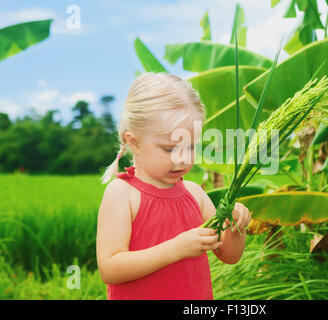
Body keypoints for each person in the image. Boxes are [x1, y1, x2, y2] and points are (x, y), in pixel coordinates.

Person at [96, 72, 251, 300]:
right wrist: (176, 249)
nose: (182, 159)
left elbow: (229, 255)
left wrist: (237, 229)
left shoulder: (195, 193)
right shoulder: (122, 194)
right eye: (170, 149)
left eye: (190, 147)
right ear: (134, 142)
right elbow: (110, 268)